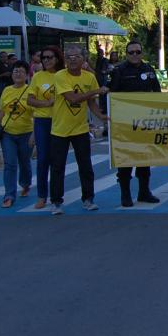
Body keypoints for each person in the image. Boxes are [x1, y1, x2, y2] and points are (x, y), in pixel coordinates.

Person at [48, 46, 108, 215]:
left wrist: (101, 116)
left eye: (76, 56)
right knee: (58, 167)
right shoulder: (60, 76)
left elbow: (91, 102)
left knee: (85, 166)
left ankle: (88, 199)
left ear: (84, 59)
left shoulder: (89, 77)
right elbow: (73, 98)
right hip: (60, 129)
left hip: (81, 128)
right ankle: (56, 202)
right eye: (68, 57)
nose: (72, 59)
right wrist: (96, 91)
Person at [108, 40, 161, 207]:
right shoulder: (119, 71)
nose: (135, 55)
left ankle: (144, 192)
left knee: (145, 158)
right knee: (126, 160)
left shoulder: (149, 69)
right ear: (126, 54)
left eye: (138, 52)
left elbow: (157, 92)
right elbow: (111, 94)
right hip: (125, 123)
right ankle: (125, 195)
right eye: (131, 52)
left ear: (142, 53)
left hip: (145, 121)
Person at [0, 60, 34, 208]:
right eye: (15, 71)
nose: (18, 74)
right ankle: (9, 195)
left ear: (27, 75)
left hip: (26, 133)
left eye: (21, 71)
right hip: (8, 134)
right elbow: (1, 112)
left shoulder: (31, 91)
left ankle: (25, 184)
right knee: (10, 164)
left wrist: (35, 135)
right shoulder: (7, 91)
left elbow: (37, 114)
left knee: (24, 163)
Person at [26, 45, 63, 209]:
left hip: (60, 120)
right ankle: (42, 196)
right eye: (44, 58)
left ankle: (56, 196)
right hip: (42, 121)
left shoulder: (64, 75)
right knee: (42, 160)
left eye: (50, 57)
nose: (46, 60)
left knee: (57, 161)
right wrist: (46, 103)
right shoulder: (38, 77)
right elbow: (30, 100)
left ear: (57, 58)